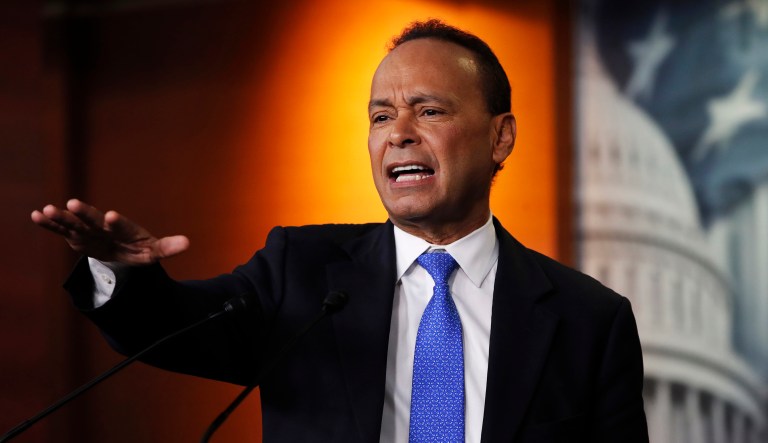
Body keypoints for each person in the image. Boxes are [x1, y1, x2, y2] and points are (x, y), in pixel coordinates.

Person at [31, 19, 648, 442]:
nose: (398, 133)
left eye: (429, 110)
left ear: (500, 137)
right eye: (381, 116)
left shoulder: (589, 321)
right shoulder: (300, 271)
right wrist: (124, 274)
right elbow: (173, 328)